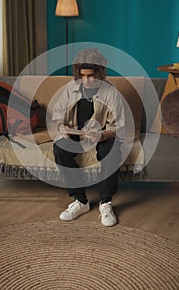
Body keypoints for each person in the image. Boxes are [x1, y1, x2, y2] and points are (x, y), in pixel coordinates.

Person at [52, 48, 125, 226]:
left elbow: (119, 126)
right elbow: (57, 115)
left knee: (112, 148)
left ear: (100, 74)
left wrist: (101, 136)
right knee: (60, 148)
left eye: (91, 75)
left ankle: (106, 203)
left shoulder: (111, 92)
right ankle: (80, 201)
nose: (86, 80)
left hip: (101, 134)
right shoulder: (70, 88)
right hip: (76, 132)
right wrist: (62, 126)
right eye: (82, 75)